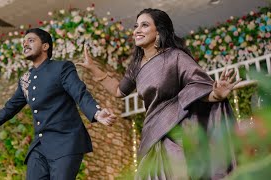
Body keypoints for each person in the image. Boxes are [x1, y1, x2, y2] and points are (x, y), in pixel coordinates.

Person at [77, 8, 240, 179]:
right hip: (152, 133)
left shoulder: (175, 57)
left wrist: (217, 94)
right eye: (136, 26)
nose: (137, 30)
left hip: (177, 133)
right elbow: (119, 91)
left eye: (144, 25)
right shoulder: (136, 66)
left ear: (159, 31)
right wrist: (94, 69)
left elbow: (198, 87)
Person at [0, 28, 116, 180]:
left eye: (31, 40)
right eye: (24, 42)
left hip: (66, 142)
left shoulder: (62, 67)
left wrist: (96, 112)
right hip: (39, 147)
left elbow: (79, 92)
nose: (25, 45)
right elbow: (8, 109)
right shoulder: (25, 79)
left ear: (45, 46)